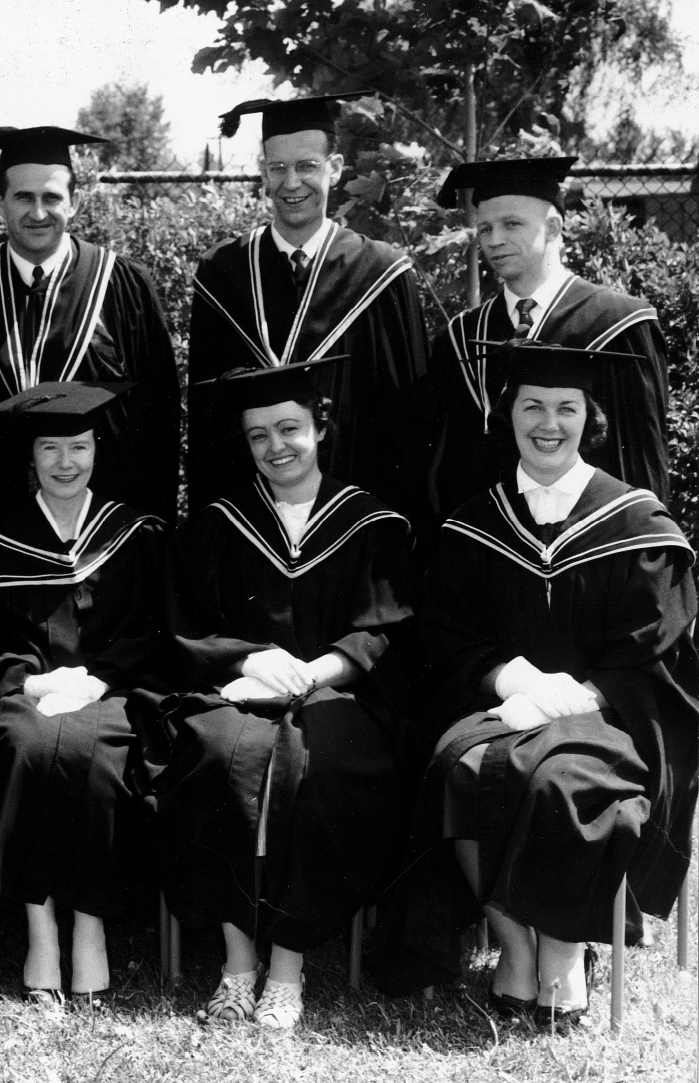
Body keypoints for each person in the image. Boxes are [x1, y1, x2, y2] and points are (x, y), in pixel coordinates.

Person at [372, 343, 697, 1027]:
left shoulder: (636, 522)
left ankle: (564, 953)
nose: (548, 423)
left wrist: (566, 697)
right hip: (502, 706)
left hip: (608, 717)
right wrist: (515, 677)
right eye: (532, 406)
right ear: (508, 413)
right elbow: (448, 634)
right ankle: (515, 946)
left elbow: (654, 646)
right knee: (455, 765)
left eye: (566, 407)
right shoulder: (473, 523)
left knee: (560, 784)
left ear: (591, 417)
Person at [151, 359, 416, 1030]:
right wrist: (251, 656)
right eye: (258, 434)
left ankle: (289, 967)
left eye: (290, 427)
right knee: (214, 753)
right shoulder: (219, 523)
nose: (276, 446)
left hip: (336, 693)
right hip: (239, 689)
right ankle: (238, 966)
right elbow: (188, 628)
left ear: (320, 427)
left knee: (327, 767)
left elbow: (387, 628)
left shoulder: (372, 522)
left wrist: (321, 668)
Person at [0, 382, 173, 1005]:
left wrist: (99, 678)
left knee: (97, 754)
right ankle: (40, 927)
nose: (65, 462)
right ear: (32, 457)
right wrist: (32, 681)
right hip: (24, 693)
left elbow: (156, 635)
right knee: (25, 744)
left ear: (96, 451)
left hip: (112, 692)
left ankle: (90, 926)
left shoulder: (134, 532)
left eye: (78, 447)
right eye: (50, 448)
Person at [186, 96, 428, 519]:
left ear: (334, 168)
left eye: (307, 166)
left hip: (357, 522)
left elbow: (407, 423)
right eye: (277, 168)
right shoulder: (223, 274)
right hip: (252, 525)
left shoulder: (381, 272)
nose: (291, 183)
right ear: (263, 174)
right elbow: (209, 426)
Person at [0, 127, 181, 523]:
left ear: (75, 202)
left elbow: (158, 424)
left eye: (52, 198)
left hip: (108, 534)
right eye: (23, 197)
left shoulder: (122, 287)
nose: (38, 213)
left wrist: (154, 537)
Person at [426, 157, 671, 517]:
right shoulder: (460, 337)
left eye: (512, 224)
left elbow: (641, 458)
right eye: (485, 229)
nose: (495, 240)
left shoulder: (618, 324)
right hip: (491, 551)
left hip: (594, 547)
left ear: (554, 228)